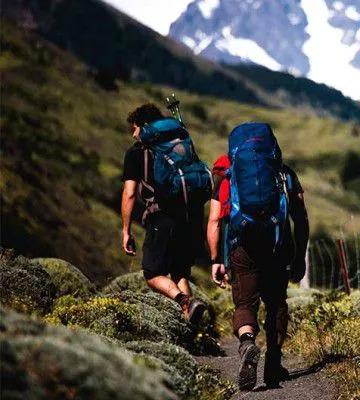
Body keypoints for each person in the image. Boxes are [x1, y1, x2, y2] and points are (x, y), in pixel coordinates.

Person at [207, 123, 309, 390]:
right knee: (276, 303)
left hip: (242, 247)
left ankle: (247, 343)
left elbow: (215, 221)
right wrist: (300, 257)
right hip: (278, 245)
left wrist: (216, 259)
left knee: (244, 304)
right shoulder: (284, 174)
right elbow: (301, 219)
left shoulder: (227, 175)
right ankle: (274, 361)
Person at [120, 103, 208, 323]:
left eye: (134, 128)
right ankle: (193, 325)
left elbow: (130, 194)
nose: (133, 134)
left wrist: (125, 230)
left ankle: (185, 302)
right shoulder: (181, 144)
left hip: (162, 217)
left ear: (144, 126)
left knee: (152, 273)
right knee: (179, 273)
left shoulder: (137, 153)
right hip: (191, 216)